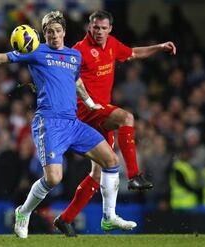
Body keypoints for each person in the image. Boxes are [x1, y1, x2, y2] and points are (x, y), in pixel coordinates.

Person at [0, 11, 136, 238]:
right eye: (49, 31)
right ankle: (23, 212)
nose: (54, 35)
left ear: (64, 32)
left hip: (73, 123)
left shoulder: (74, 56)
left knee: (111, 161)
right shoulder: (35, 51)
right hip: (49, 123)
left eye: (58, 31)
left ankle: (109, 216)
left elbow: (77, 81)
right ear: (44, 34)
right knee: (54, 178)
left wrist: (90, 102)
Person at [54, 10, 176, 236]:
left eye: (103, 28)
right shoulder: (79, 51)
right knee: (127, 117)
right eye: (95, 27)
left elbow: (133, 53)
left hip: (102, 116)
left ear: (110, 29)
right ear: (89, 28)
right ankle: (134, 176)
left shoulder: (112, 44)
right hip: (88, 112)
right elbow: (62, 73)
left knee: (98, 173)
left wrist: (158, 47)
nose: (99, 32)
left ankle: (65, 218)